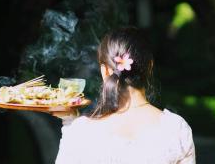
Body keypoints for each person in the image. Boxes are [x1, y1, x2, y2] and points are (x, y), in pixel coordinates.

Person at [54, 27, 196, 164]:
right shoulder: (176, 129)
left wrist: (69, 124)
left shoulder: (81, 133)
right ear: (150, 66)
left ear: (105, 72)